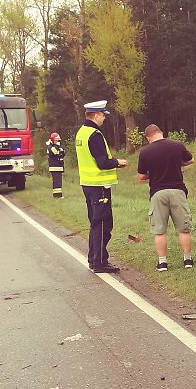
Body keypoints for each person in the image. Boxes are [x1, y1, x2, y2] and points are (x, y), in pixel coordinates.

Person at [75, 100, 128, 273]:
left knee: (95, 222)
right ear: (96, 115)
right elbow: (103, 162)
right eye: (103, 115)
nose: (104, 119)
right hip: (99, 185)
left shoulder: (81, 133)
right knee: (103, 224)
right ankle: (99, 262)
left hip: (88, 184)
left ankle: (94, 259)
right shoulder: (94, 134)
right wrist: (118, 162)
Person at [137, 124, 195, 271]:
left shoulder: (145, 152)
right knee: (184, 228)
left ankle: (162, 262)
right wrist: (177, 165)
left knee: (160, 230)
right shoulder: (176, 145)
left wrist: (154, 173)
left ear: (148, 137)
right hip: (177, 191)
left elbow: (142, 176)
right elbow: (190, 160)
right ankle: (187, 260)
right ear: (161, 133)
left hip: (158, 193)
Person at [46, 132, 66, 198]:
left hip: (59, 167)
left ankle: (57, 195)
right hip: (54, 167)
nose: (58, 141)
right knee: (57, 182)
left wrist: (61, 150)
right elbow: (57, 153)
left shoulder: (56, 146)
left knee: (58, 182)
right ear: (53, 140)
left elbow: (63, 153)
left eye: (58, 140)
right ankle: (57, 196)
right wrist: (60, 149)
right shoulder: (50, 147)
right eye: (56, 140)